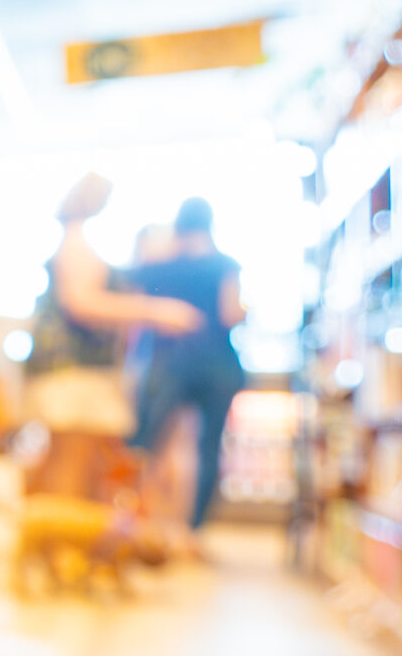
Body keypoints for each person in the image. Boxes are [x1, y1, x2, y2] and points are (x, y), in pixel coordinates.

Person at [24, 175, 203, 502]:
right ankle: (66, 546)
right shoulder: (77, 243)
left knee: (74, 465)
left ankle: (62, 545)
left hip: (76, 369)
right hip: (73, 370)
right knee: (72, 468)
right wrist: (153, 311)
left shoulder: (77, 242)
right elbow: (80, 302)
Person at [129, 197, 245, 536]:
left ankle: (137, 519)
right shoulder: (224, 265)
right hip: (218, 365)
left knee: (148, 443)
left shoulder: (162, 268)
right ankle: (193, 531)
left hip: (169, 364)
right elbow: (229, 313)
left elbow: (137, 307)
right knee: (207, 447)